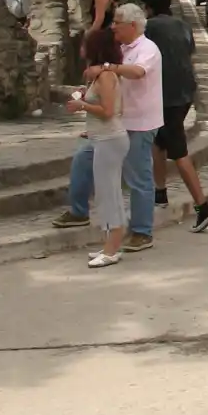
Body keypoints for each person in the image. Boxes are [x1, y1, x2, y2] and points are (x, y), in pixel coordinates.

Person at [51, 4, 163, 252]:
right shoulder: (118, 48)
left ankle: (142, 231)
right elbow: (102, 86)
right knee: (83, 160)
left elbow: (137, 72)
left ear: (132, 26)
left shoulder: (148, 49)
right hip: (109, 126)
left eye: (118, 22)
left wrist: (107, 68)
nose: (113, 26)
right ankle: (79, 211)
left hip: (138, 123)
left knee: (138, 178)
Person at [141, 0, 208, 233]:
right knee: (159, 142)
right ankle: (160, 193)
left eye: (144, 6)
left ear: (150, 7)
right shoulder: (183, 26)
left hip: (165, 96)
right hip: (185, 93)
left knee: (178, 150)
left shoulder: (149, 28)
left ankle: (203, 206)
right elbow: (189, 55)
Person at [65, 27, 128, 268]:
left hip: (109, 139)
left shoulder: (105, 76)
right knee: (105, 192)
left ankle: (112, 249)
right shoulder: (100, 75)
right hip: (103, 138)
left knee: (108, 193)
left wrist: (81, 106)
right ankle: (109, 245)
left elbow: (108, 111)